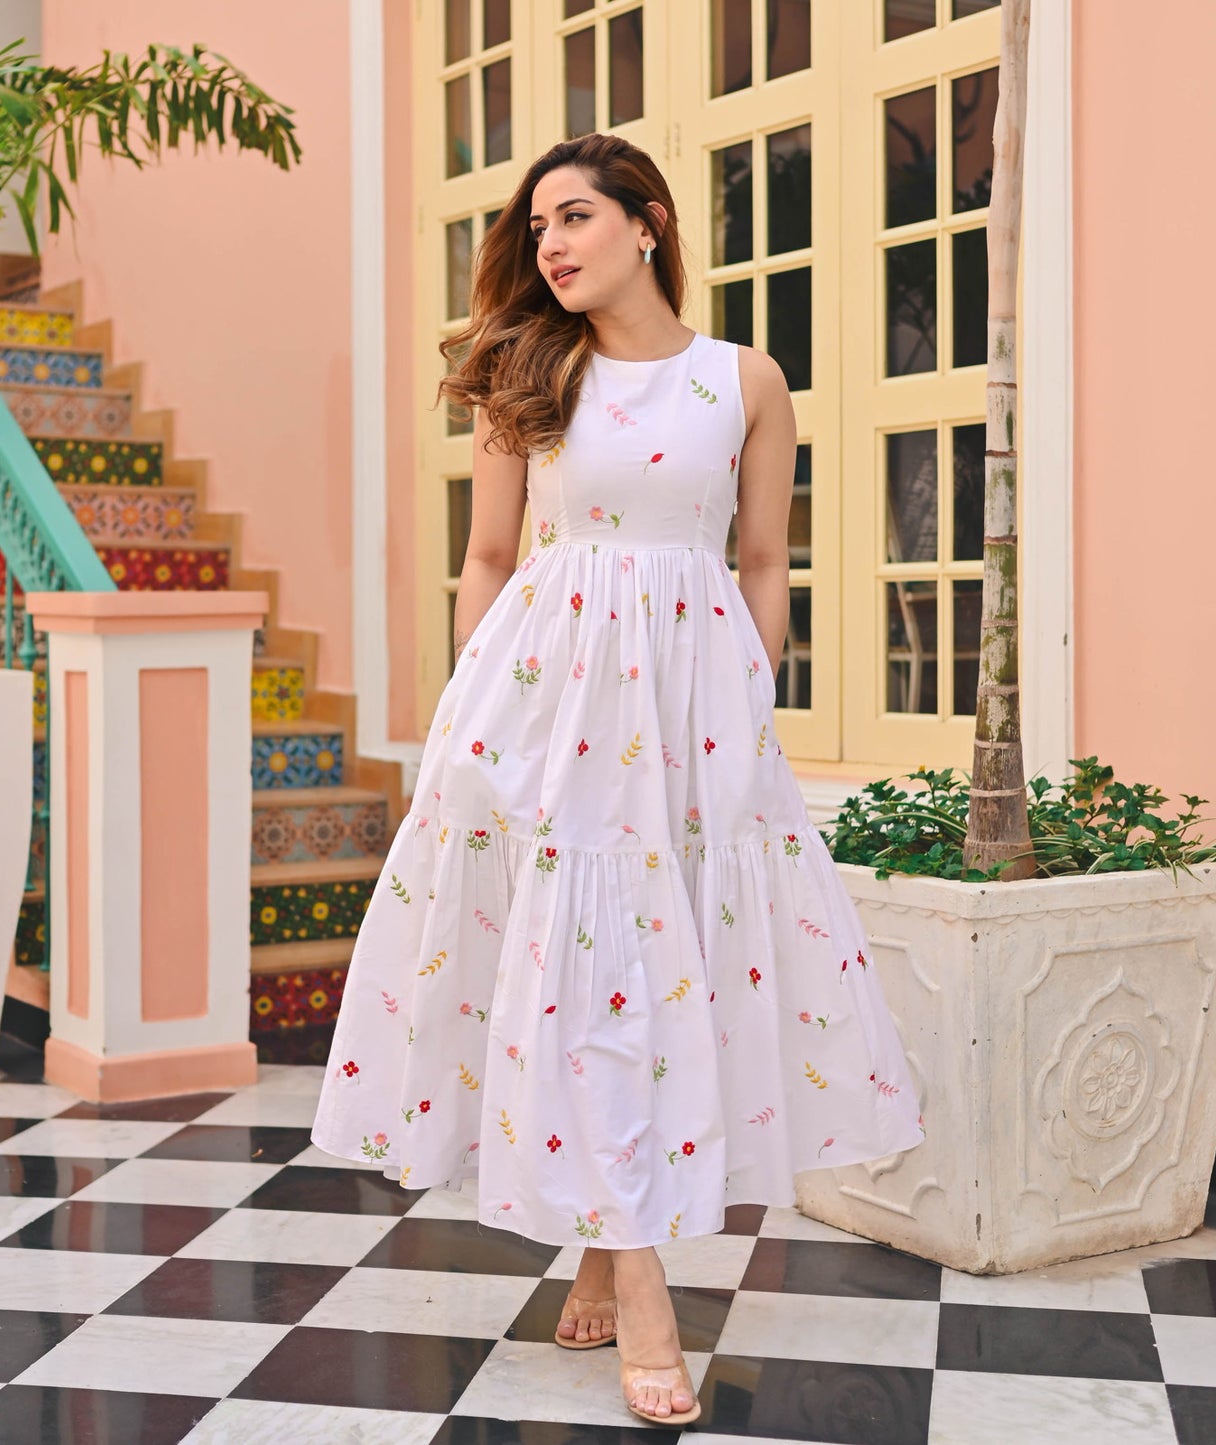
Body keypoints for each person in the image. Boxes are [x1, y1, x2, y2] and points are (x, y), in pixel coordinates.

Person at [312, 132, 925, 1428]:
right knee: (590, 964)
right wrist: (471, 715)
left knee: (671, 963)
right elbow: (487, 557)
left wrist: (746, 694)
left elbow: (762, 558)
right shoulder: (529, 377)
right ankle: (642, 1287)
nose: (550, 243)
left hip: (697, 707)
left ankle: (600, 1235)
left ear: (647, 224)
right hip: (551, 701)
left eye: (575, 215)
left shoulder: (741, 382)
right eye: (537, 224)